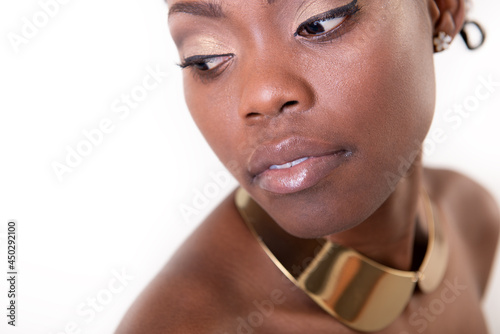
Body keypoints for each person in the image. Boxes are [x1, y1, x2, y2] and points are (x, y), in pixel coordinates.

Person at [116, 0, 499, 332]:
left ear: (443, 8)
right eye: (206, 58)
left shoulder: (472, 220)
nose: (262, 95)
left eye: (319, 22)